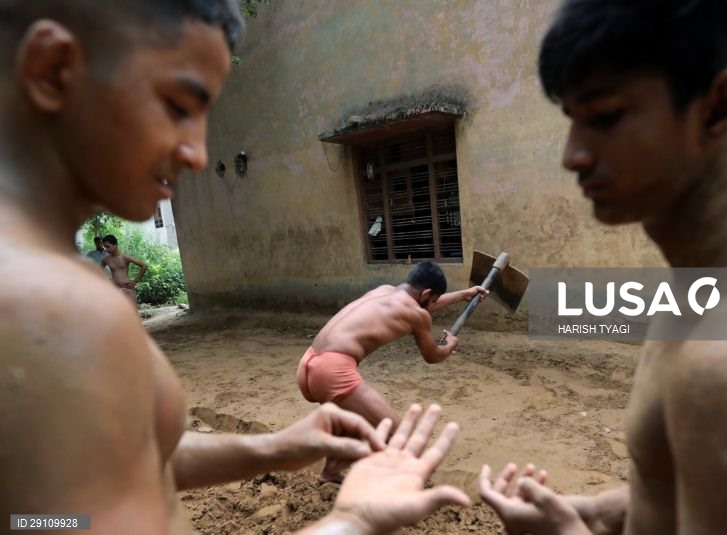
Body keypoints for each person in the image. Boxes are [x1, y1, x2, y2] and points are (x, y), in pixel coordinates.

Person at [0, 1, 468, 533]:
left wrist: (271, 449)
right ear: (52, 69)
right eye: (179, 105)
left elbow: (96, 487)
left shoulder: (51, 281)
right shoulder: (44, 308)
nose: (199, 153)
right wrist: (353, 522)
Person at [479, 1, 727, 534]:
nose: (572, 156)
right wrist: (601, 512)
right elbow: (687, 484)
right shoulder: (702, 297)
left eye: (605, 117)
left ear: (720, 108)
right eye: (573, 121)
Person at [297, 261, 488, 481]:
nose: (432, 304)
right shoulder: (416, 314)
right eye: (433, 298)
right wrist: (451, 344)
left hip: (309, 362)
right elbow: (433, 356)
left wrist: (464, 294)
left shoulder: (384, 291)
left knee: (358, 420)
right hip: (332, 371)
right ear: (426, 293)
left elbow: (422, 307)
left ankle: (332, 469)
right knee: (398, 434)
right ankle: (388, 487)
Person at [101, 234, 147, 304]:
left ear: (115, 245)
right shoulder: (106, 259)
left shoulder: (124, 257)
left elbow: (144, 266)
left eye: (108, 246)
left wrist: (135, 281)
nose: (106, 249)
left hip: (127, 289)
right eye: (105, 247)